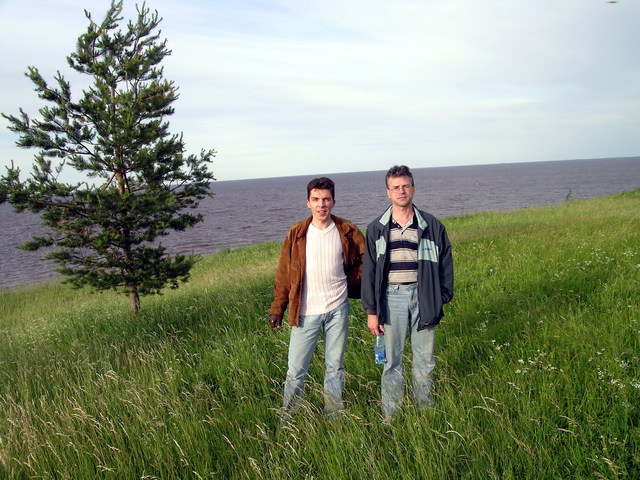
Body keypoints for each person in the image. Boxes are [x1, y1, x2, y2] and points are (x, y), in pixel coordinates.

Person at [361, 165, 454, 419]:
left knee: (425, 361)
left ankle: (426, 413)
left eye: (405, 186)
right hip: (392, 299)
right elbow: (369, 271)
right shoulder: (377, 228)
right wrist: (372, 310)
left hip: (424, 298)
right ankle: (391, 417)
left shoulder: (432, 226)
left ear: (413, 188)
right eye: (396, 187)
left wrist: (440, 297)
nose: (401, 191)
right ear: (388, 192)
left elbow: (446, 263)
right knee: (393, 362)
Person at [269, 177, 365, 420]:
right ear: (308, 203)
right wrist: (277, 309)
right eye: (316, 199)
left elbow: (367, 260)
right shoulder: (297, 233)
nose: (321, 204)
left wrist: (354, 280)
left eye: (326, 199)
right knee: (296, 371)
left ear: (333, 201)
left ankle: (334, 416)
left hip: (338, 309)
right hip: (305, 312)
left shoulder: (347, 230)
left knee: (335, 367)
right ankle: (288, 419)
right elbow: (283, 274)